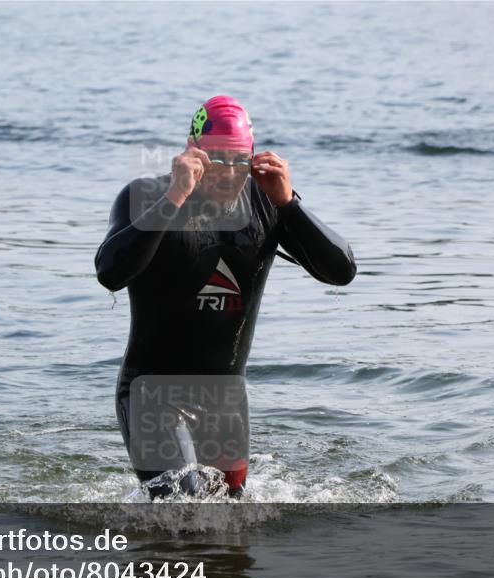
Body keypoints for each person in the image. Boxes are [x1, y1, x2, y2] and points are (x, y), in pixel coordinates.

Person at [95, 95, 357, 498]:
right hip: (151, 395)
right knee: (184, 507)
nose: (229, 173)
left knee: (229, 534)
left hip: (225, 402)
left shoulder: (267, 203)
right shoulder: (146, 196)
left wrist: (289, 204)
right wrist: (174, 199)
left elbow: (341, 272)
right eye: (217, 159)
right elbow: (110, 273)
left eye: (239, 161)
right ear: (192, 150)